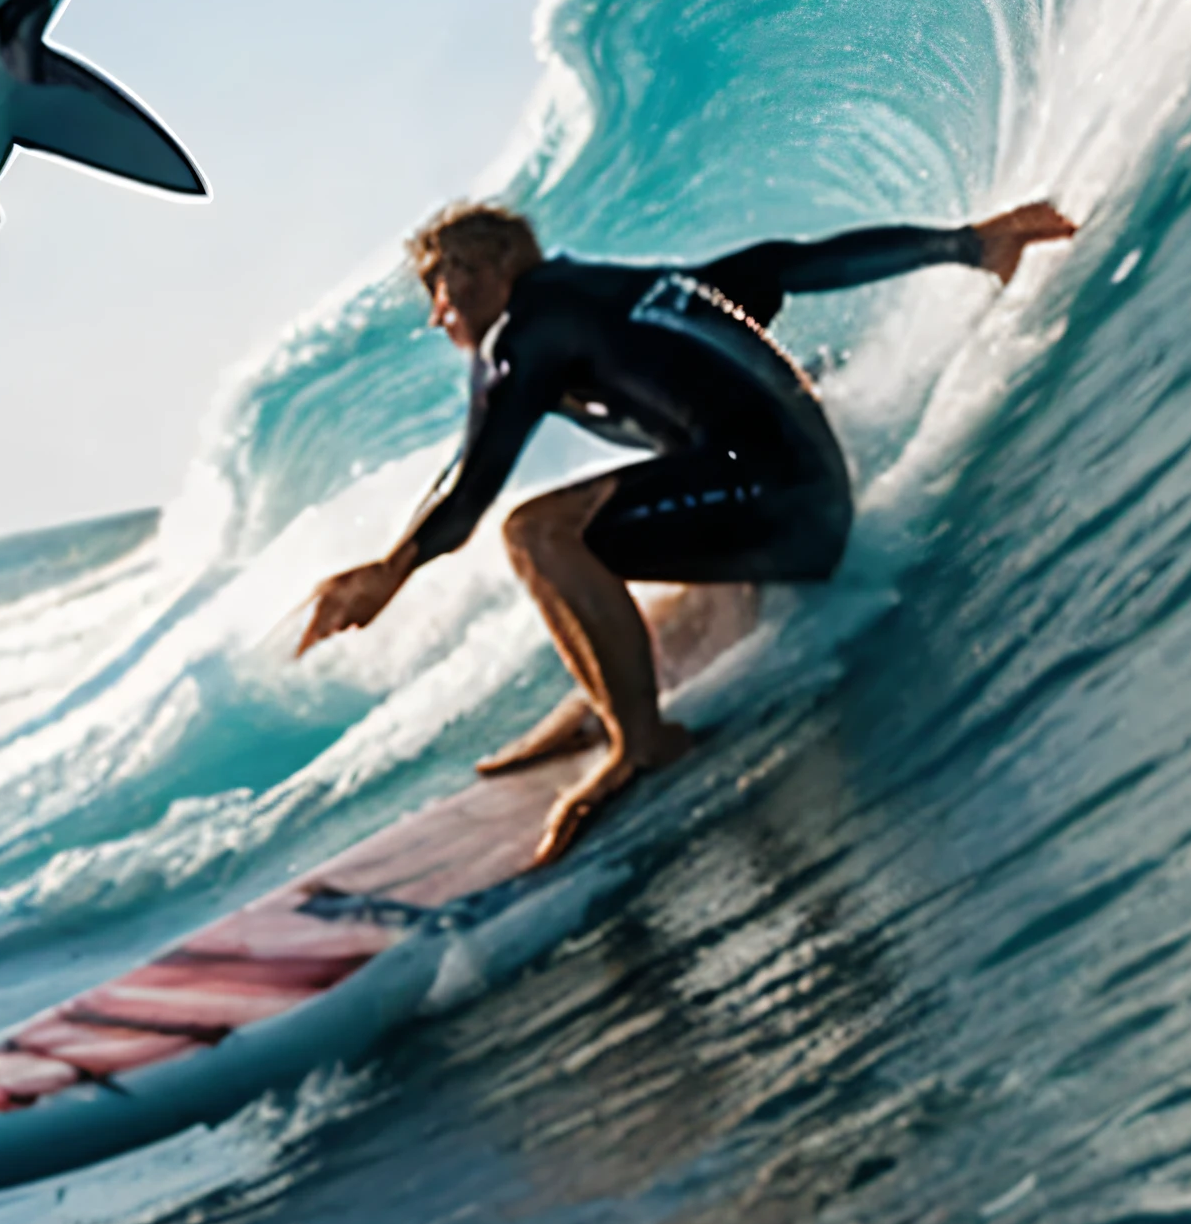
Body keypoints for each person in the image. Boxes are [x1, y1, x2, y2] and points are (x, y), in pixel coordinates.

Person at [296, 191, 1077, 860]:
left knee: (537, 532)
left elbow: (473, 495)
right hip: (786, 491)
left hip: (784, 501)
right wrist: (968, 243)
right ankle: (609, 707)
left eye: (444, 286)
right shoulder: (609, 292)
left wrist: (390, 573)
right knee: (602, 540)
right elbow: (779, 266)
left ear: (494, 271)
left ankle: (641, 743)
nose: (437, 314)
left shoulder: (532, 331)